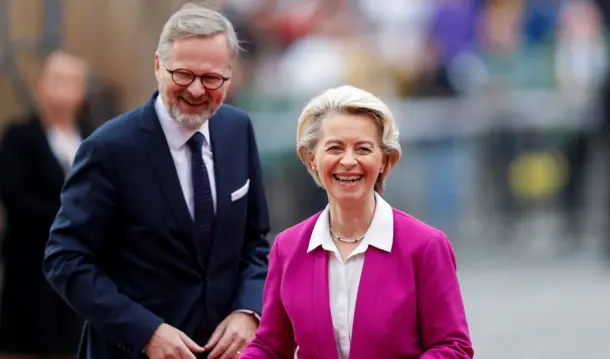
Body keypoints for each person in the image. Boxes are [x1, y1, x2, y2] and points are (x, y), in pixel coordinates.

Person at [43, 4, 271, 359]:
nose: (196, 90)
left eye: (211, 78)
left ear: (230, 75)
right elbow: (65, 259)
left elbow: (254, 244)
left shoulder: (237, 130)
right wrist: (145, 332)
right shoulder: (108, 149)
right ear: (157, 66)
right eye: (182, 74)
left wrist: (248, 311)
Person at [240, 85, 474, 359]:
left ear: (386, 161)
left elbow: (452, 348)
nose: (348, 161)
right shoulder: (287, 248)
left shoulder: (425, 246)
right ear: (311, 158)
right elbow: (270, 347)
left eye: (363, 149)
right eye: (334, 148)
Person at [0, 51, 90, 359]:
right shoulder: (21, 137)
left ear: (82, 91)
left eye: (72, 81)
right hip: (32, 270)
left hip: (82, 275)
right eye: (56, 79)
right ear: (40, 85)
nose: (63, 88)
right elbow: (14, 195)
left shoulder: (93, 140)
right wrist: (71, 219)